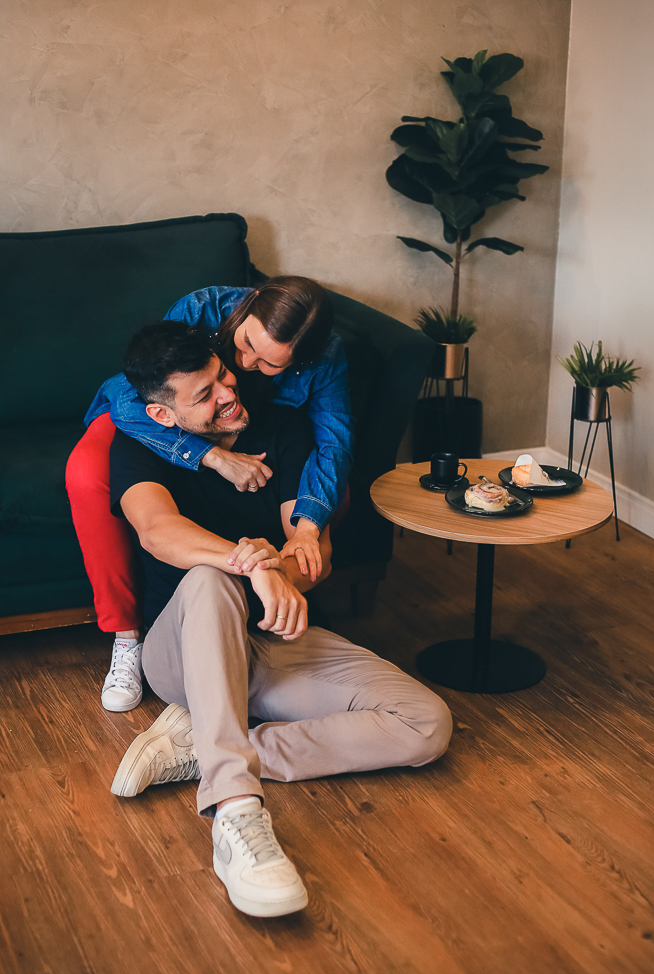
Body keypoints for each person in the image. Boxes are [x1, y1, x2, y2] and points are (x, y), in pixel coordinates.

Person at [108, 320, 452, 918]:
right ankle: (236, 814)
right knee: (210, 578)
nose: (227, 393)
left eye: (222, 376)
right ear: (165, 417)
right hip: (185, 650)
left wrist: (280, 568)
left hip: (270, 641)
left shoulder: (283, 428)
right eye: (205, 395)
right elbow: (158, 533)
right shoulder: (137, 445)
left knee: (426, 724)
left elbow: (305, 551)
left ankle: (212, 750)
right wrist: (251, 565)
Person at [65, 276, 354, 713]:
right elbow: (150, 386)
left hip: (235, 425)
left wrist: (308, 531)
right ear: (249, 307)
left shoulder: (314, 370)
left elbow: (334, 443)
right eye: (243, 345)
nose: (245, 363)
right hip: (155, 417)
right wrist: (211, 458)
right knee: (88, 477)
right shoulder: (200, 313)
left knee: (329, 494)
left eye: (269, 363)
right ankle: (126, 637)